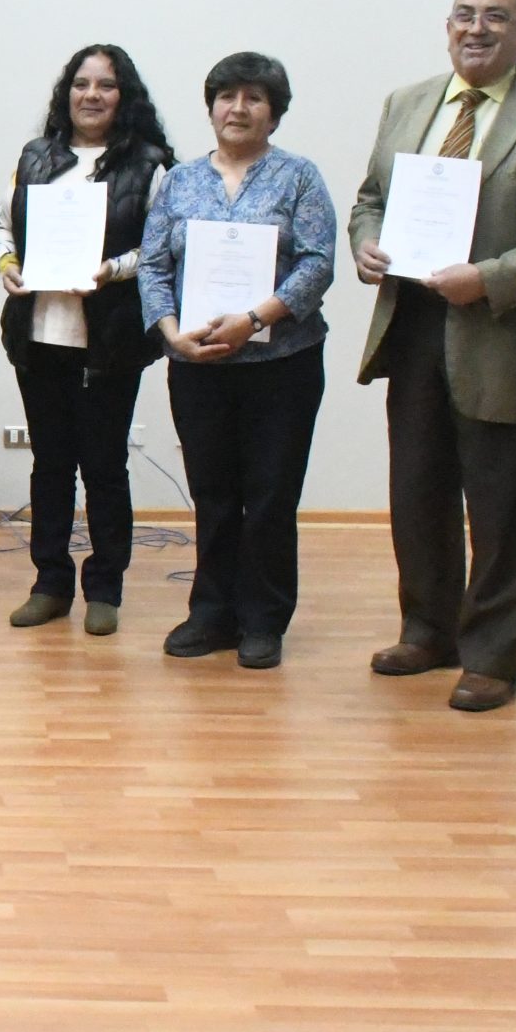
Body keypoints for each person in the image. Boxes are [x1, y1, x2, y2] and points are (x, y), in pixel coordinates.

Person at [349, 0, 516, 712]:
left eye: (497, 18)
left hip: (503, 333)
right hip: (413, 326)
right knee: (417, 491)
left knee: (502, 507)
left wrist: (487, 279)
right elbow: (370, 199)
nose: (477, 29)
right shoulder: (406, 103)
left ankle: (492, 655)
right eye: (465, 15)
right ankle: (428, 631)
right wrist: (367, 244)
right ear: (447, 25)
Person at [136, 52, 337, 670]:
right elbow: (152, 265)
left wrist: (254, 318)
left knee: (270, 495)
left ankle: (264, 619)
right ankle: (211, 612)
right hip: (198, 365)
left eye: (254, 98)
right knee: (213, 492)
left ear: (274, 113)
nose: (238, 108)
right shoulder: (180, 181)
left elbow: (317, 263)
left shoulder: (298, 177)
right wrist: (171, 334)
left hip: (282, 365)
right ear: (211, 107)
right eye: (227, 96)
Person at [0, 44, 174, 637]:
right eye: (81, 83)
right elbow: (1, 224)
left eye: (105, 85)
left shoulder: (150, 165)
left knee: (104, 467)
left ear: (124, 97)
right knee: (50, 466)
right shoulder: (35, 156)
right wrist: (8, 263)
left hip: (111, 342)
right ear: (66, 92)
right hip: (40, 335)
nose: (91, 95)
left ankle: (104, 589)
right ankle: (49, 584)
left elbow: (161, 248)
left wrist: (112, 270)